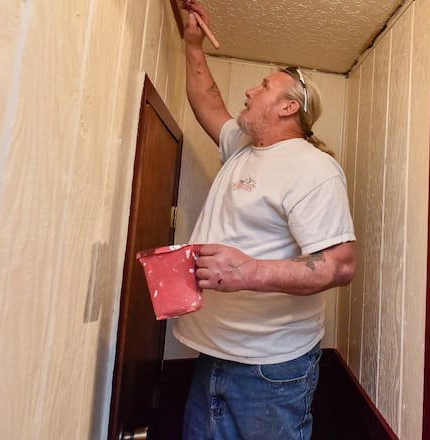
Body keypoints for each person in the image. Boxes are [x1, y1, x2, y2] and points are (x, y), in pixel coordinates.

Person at [175, 2, 357, 439]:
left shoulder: (312, 168)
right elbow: (207, 102)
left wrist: (248, 270)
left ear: (288, 107)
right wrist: (193, 44)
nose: (250, 92)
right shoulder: (242, 147)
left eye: (262, 87)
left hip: (270, 367)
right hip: (213, 350)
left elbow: (339, 265)